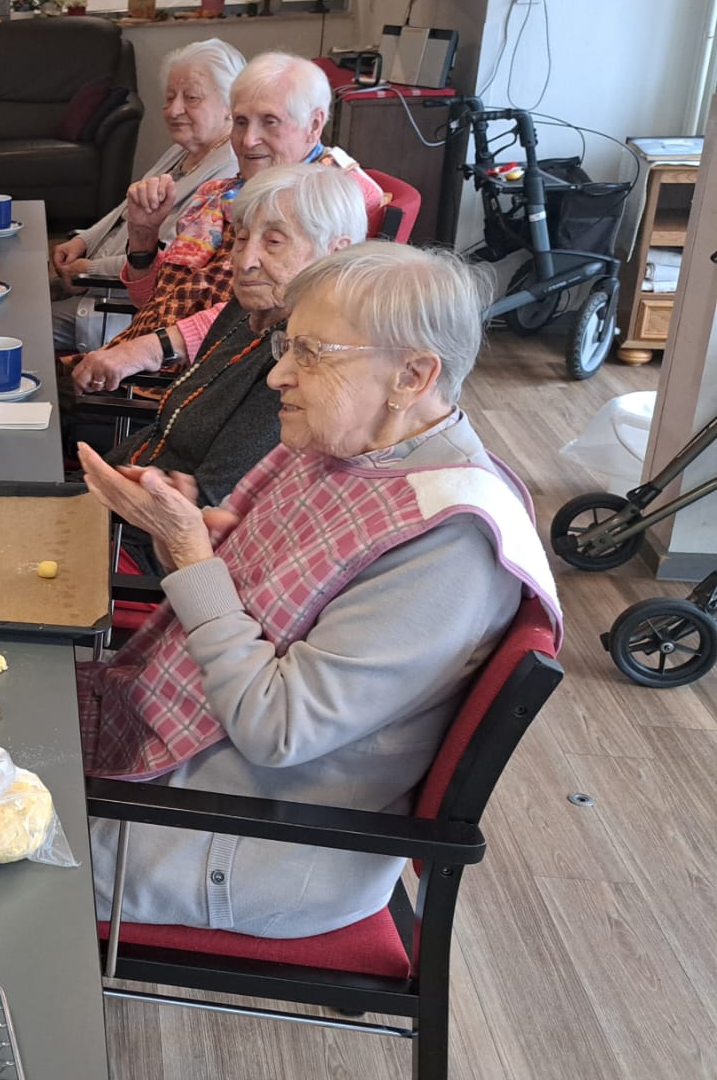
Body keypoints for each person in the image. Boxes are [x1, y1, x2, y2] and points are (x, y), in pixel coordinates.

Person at [74, 241, 563, 939]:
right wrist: (200, 544)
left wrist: (191, 559)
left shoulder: (451, 545)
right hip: (206, 777)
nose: (278, 374)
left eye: (310, 351)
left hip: (254, 838)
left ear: (412, 374)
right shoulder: (357, 445)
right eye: (285, 344)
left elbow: (277, 729)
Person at [72, 164, 367, 507]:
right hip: (114, 488)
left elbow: (209, 502)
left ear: (335, 253)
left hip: (144, 535)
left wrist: (90, 498)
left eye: (273, 242)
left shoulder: (300, 362)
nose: (244, 262)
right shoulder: (245, 309)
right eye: (242, 238)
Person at [99, 51, 382, 350]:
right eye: (241, 122)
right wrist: (143, 238)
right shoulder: (221, 194)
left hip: (224, 378)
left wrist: (155, 349)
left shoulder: (336, 199)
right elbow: (154, 305)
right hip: (156, 361)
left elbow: (280, 314)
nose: (248, 140)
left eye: (269, 121)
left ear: (314, 125)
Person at [50, 39, 244, 351]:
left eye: (191, 98)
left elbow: (168, 261)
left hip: (118, 308)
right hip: (93, 285)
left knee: (18, 324)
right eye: (169, 98)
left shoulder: (227, 175)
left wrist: (90, 270)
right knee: (13, 294)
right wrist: (83, 240)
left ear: (230, 104)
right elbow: (128, 206)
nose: (175, 109)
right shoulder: (181, 151)